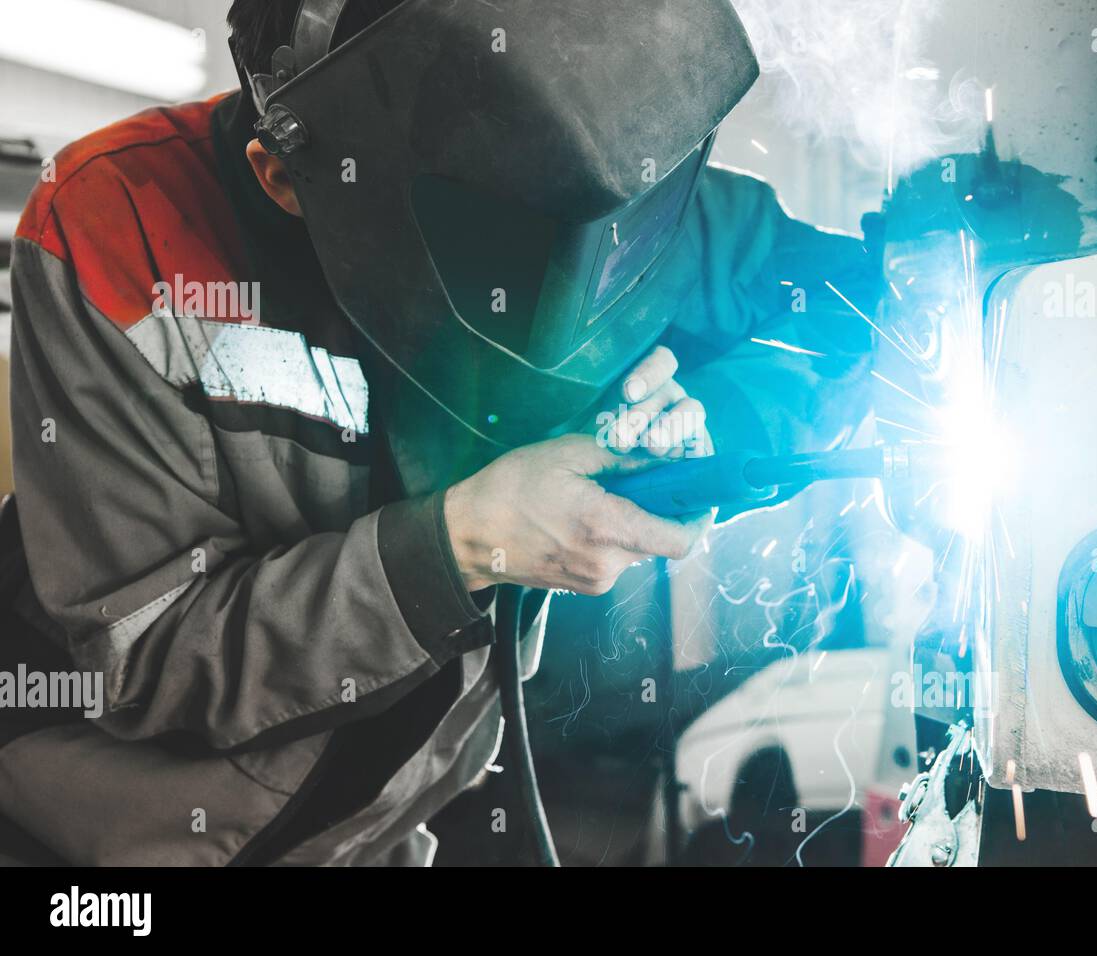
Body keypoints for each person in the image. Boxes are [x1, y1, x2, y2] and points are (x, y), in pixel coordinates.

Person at [0, 0, 876, 865]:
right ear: (282, 176)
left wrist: (728, 416)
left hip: (384, 825)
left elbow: (859, 320)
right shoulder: (115, 222)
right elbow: (147, 655)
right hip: (106, 843)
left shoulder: (601, 166)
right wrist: (455, 550)